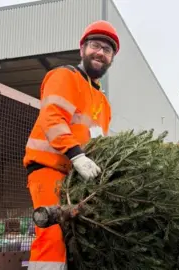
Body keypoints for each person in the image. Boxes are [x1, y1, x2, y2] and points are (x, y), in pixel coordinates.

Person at [23, 20, 120, 269]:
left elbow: (100, 143)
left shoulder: (103, 102)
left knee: (78, 239)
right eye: (95, 45)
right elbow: (52, 117)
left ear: (111, 59)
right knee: (52, 235)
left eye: (107, 49)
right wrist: (77, 155)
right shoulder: (64, 76)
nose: (100, 52)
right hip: (48, 169)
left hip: (78, 179)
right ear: (82, 49)